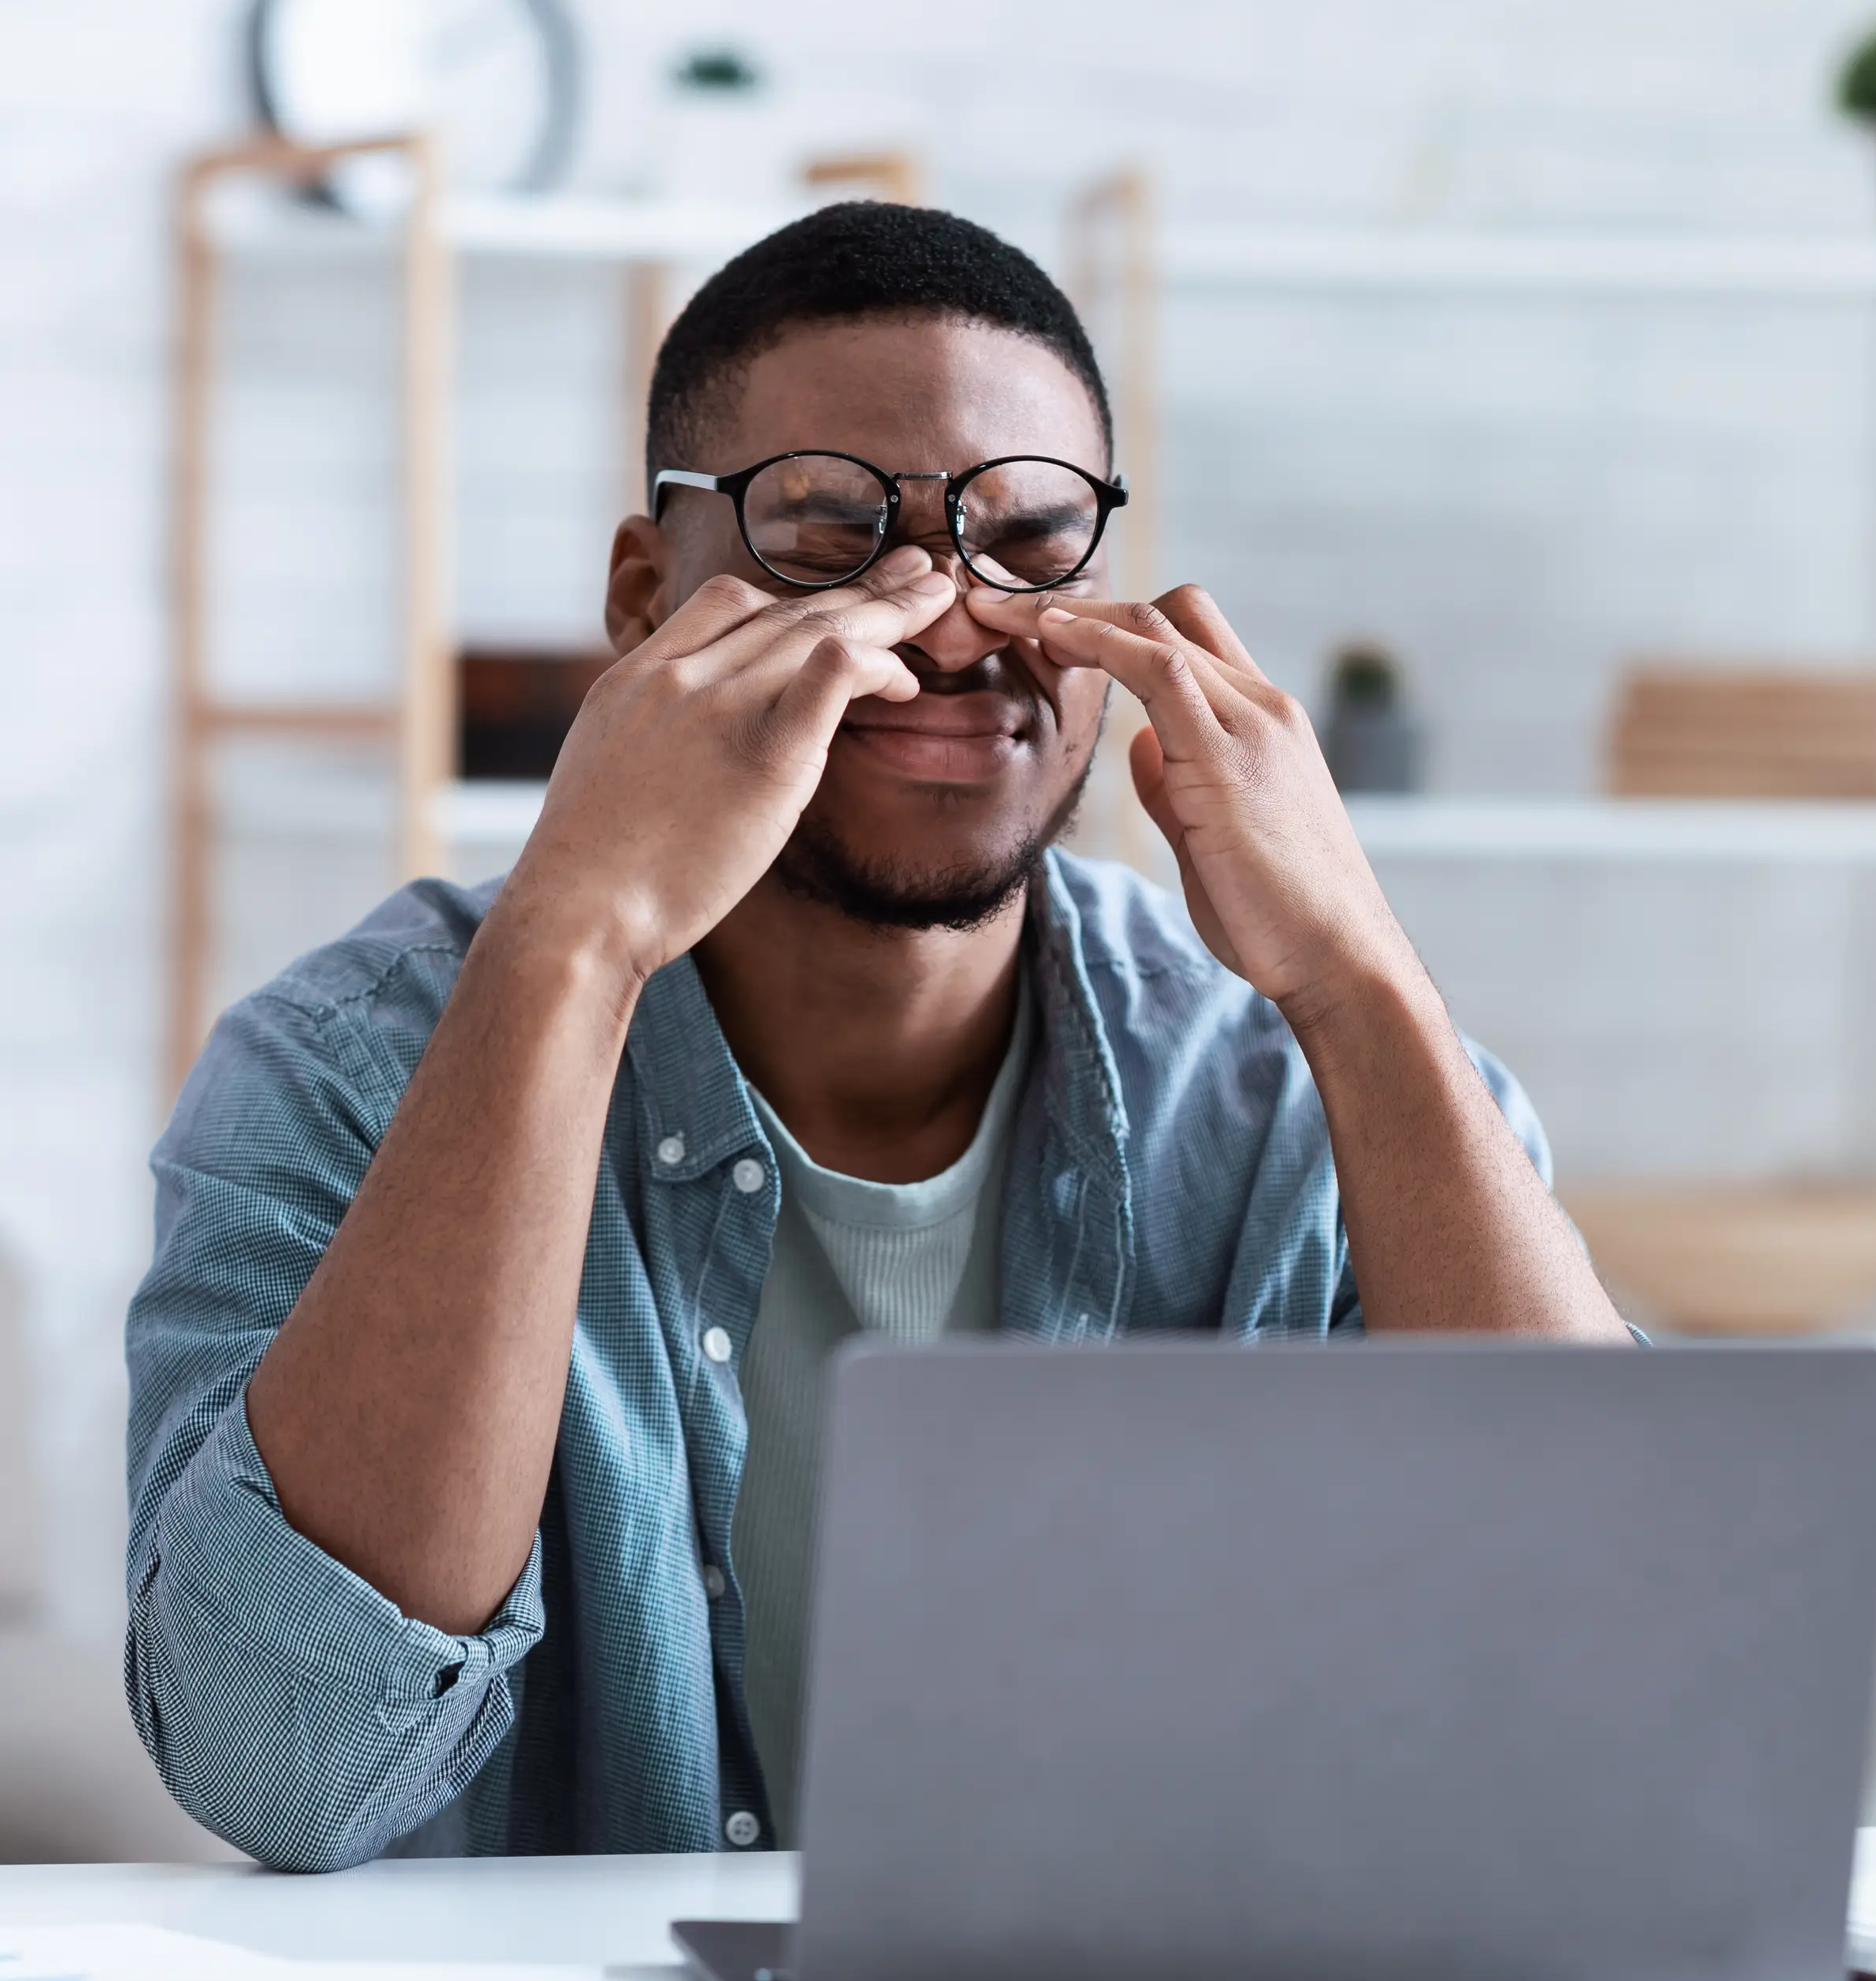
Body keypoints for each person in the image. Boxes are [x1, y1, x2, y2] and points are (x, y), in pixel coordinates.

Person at [124, 202, 1628, 1873]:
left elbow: (1615, 1706)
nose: (947, 618)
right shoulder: (341, 1068)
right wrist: (574, 943)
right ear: (644, 597)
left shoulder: (1298, 1092)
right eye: (833, 532)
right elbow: (286, 1767)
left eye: (1034, 537)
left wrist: (1362, 978)